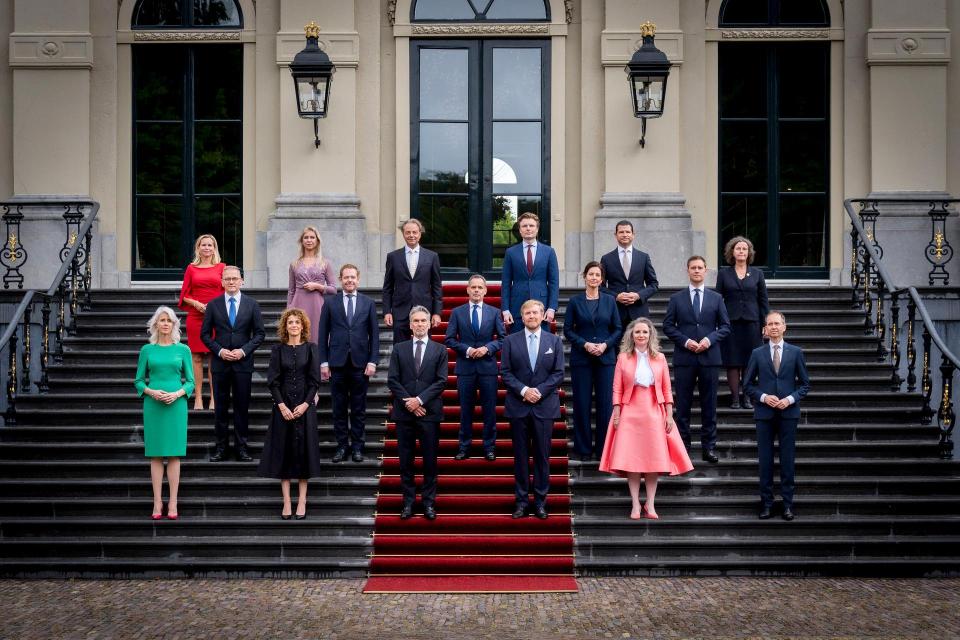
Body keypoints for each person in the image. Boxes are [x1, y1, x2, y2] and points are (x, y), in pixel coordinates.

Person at [599, 318, 693, 519]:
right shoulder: (623, 358)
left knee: (653, 461)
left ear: (651, 335)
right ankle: (635, 504)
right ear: (631, 335)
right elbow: (616, 388)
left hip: (653, 411)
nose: (641, 335)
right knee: (632, 461)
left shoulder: (659, 358)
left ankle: (650, 504)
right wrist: (616, 413)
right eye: (637, 332)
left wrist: (668, 415)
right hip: (629, 411)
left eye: (645, 332)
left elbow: (667, 389)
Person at [662, 255, 731, 463]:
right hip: (685, 358)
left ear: (706, 270)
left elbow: (726, 326)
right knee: (683, 406)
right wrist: (686, 341)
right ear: (688, 270)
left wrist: (710, 340)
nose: (697, 271)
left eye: (700, 267)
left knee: (709, 406)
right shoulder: (676, 298)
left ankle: (709, 447)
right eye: (693, 268)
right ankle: (683, 447)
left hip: (710, 358)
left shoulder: (716, 298)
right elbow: (668, 326)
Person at [500, 299, 564, 519]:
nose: (532, 316)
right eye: (527, 313)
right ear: (522, 316)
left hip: (545, 407)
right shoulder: (509, 341)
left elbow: (558, 373)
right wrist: (524, 390)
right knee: (520, 457)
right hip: (518, 406)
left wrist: (539, 391)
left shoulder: (554, 341)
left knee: (542, 457)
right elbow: (506, 373)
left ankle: (540, 502)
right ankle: (521, 502)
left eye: (535, 312)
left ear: (543, 314)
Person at [743, 311, 810, 521]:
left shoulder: (796, 352)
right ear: (765, 328)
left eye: (777, 324)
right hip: (764, 414)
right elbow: (747, 385)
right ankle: (767, 504)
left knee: (787, 460)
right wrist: (763, 397)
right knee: (765, 461)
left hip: (788, 414)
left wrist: (789, 399)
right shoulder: (757, 353)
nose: (773, 327)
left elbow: (805, 384)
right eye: (769, 324)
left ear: (784, 327)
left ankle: (788, 504)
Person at [257, 308, 323, 520]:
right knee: (284, 453)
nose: (293, 325)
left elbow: (315, 381)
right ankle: (286, 501)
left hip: (304, 408)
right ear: (285, 327)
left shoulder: (311, 349)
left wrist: (305, 404)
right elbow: (272, 381)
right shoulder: (277, 350)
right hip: (283, 409)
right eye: (290, 322)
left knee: (304, 454)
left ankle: (302, 500)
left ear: (303, 326)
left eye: (297, 322)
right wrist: (281, 406)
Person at [387, 306, 449, 520]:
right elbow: (392, 380)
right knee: (406, 461)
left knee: (430, 461)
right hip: (404, 415)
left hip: (429, 413)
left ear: (429, 323)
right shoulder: (399, 348)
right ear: (410, 325)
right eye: (416, 321)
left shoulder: (439, 350)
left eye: (423, 320)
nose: (420, 324)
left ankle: (429, 503)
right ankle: (408, 502)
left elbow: (441, 381)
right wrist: (409, 403)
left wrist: (420, 400)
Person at [200, 266, 266, 462]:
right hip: (220, 364)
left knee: (241, 407)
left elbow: (260, 333)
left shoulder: (252, 304)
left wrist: (243, 350)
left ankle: (241, 448)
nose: (231, 282)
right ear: (222, 282)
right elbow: (204, 334)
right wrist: (219, 350)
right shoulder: (213, 305)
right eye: (227, 279)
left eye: (234, 278)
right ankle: (221, 448)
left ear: (241, 281)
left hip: (243, 364)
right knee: (220, 408)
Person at [134, 306, 195, 520]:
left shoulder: (183, 350)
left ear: (175, 325)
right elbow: (139, 381)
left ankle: (174, 501)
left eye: (169, 320)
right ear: (155, 324)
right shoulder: (147, 350)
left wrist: (177, 394)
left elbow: (191, 383)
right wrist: (151, 392)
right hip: (153, 405)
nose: (166, 324)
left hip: (176, 406)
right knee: (156, 454)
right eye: (162, 320)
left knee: (175, 454)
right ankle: (157, 501)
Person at [317, 264, 380, 463]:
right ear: (341, 279)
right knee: (339, 408)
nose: (350, 280)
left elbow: (375, 335)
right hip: (337, 363)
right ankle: (342, 447)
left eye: (353, 277)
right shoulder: (330, 303)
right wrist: (323, 362)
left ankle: (358, 448)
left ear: (358, 279)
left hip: (361, 364)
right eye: (346, 277)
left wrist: (373, 361)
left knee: (359, 408)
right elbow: (322, 333)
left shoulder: (368, 303)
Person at [563, 261, 622, 461]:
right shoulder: (574, 302)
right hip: (582, 358)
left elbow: (617, 328)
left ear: (602, 279)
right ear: (585, 276)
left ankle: (603, 450)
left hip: (606, 359)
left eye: (598, 275)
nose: (594, 278)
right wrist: (585, 344)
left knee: (605, 405)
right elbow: (568, 330)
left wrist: (605, 345)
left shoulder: (610, 301)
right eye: (591, 274)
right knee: (582, 403)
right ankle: (583, 449)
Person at [444, 274, 505, 461]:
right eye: (473, 287)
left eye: (480, 287)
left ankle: (489, 447)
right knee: (465, 410)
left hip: (488, 369)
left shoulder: (494, 312)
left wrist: (487, 348)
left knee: (489, 410)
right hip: (466, 368)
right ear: (468, 290)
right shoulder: (457, 312)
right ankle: (464, 446)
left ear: (486, 290)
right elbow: (449, 339)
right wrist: (469, 350)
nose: (477, 290)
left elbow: (503, 339)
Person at [715, 236, 769, 410]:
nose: (741, 251)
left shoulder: (757, 273)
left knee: (749, 362)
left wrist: (765, 323)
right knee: (733, 362)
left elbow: (763, 300)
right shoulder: (724, 273)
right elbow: (717, 299)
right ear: (732, 252)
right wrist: (718, 322)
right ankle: (735, 399)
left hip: (752, 323)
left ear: (749, 253)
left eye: (744, 249)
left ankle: (747, 398)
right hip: (730, 323)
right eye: (738, 248)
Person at [177, 234, 225, 410]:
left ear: (214, 248)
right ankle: (198, 397)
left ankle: (213, 397)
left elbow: (227, 290)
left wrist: (212, 306)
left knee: (214, 356)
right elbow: (184, 295)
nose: (206, 248)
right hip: (196, 317)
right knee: (196, 357)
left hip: (216, 316)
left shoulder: (222, 267)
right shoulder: (191, 268)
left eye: (210, 245)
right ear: (198, 248)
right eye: (203, 245)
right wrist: (196, 303)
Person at [382, 218, 442, 344]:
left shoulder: (432, 257)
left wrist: (437, 313)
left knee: (424, 347)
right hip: (400, 310)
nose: (411, 235)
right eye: (408, 232)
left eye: (414, 232)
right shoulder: (393, 257)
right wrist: (387, 311)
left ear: (420, 234)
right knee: (400, 347)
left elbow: (437, 287)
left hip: (424, 310)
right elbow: (388, 287)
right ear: (403, 234)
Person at [500, 212, 559, 332]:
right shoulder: (511, 253)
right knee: (518, 345)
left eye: (531, 226)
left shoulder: (549, 252)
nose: (528, 228)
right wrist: (505, 310)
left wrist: (552, 307)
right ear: (520, 230)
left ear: (537, 229)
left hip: (542, 307)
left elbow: (554, 282)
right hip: (517, 307)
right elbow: (506, 283)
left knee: (541, 346)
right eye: (524, 226)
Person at [599, 220, 659, 328]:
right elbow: (600, 286)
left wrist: (638, 295)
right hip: (615, 311)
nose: (625, 235)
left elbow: (653, 284)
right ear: (615, 235)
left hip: (639, 312)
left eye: (628, 232)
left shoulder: (643, 257)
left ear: (633, 234)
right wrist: (616, 296)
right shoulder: (606, 259)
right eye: (621, 232)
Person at [287, 226, 337, 343]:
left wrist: (318, 286)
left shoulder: (325, 263)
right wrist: (289, 309)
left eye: (312, 237)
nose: (309, 240)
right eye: (306, 237)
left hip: (317, 305)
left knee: (317, 337)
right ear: (302, 241)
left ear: (317, 241)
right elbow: (291, 290)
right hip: (298, 304)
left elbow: (333, 289)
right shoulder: (294, 264)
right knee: (298, 338)